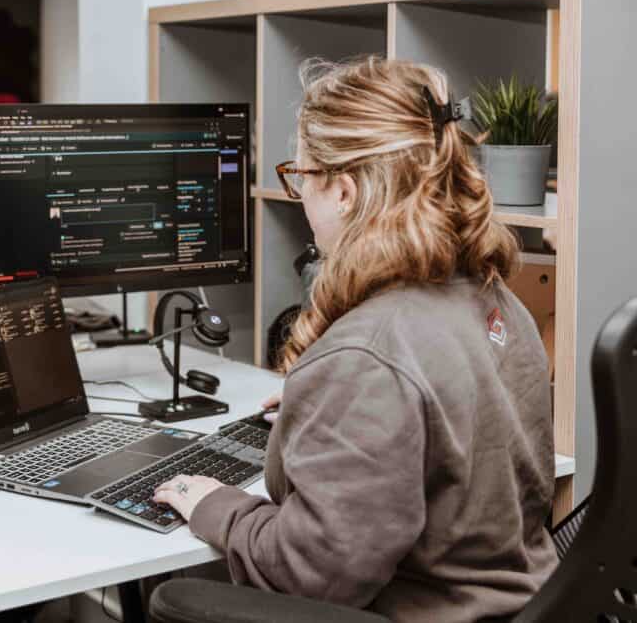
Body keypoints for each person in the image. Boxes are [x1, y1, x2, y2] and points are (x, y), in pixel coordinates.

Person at [153, 56, 558, 623]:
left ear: (343, 192)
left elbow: (312, 574)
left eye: (301, 175)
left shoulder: (369, 356)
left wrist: (218, 506)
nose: (300, 195)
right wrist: (330, 406)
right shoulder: (497, 302)